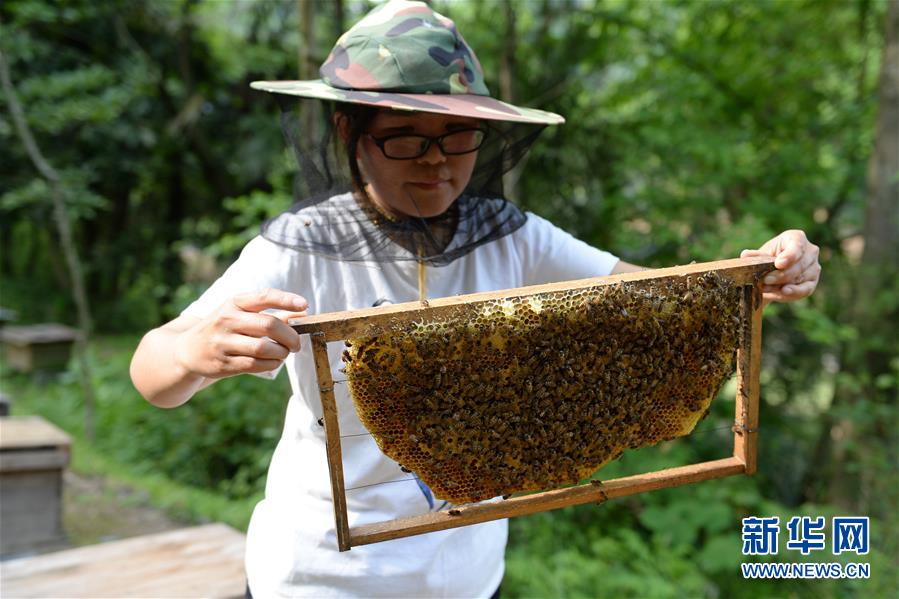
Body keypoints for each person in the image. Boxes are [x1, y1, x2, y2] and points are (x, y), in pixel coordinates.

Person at [130, 1, 821, 597]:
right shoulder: (300, 245)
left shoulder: (513, 237)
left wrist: (758, 272)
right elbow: (153, 372)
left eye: (456, 136)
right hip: (320, 578)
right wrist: (193, 349)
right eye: (405, 137)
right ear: (350, 134)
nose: (436, 161)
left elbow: (657, 296)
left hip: (464, 574)